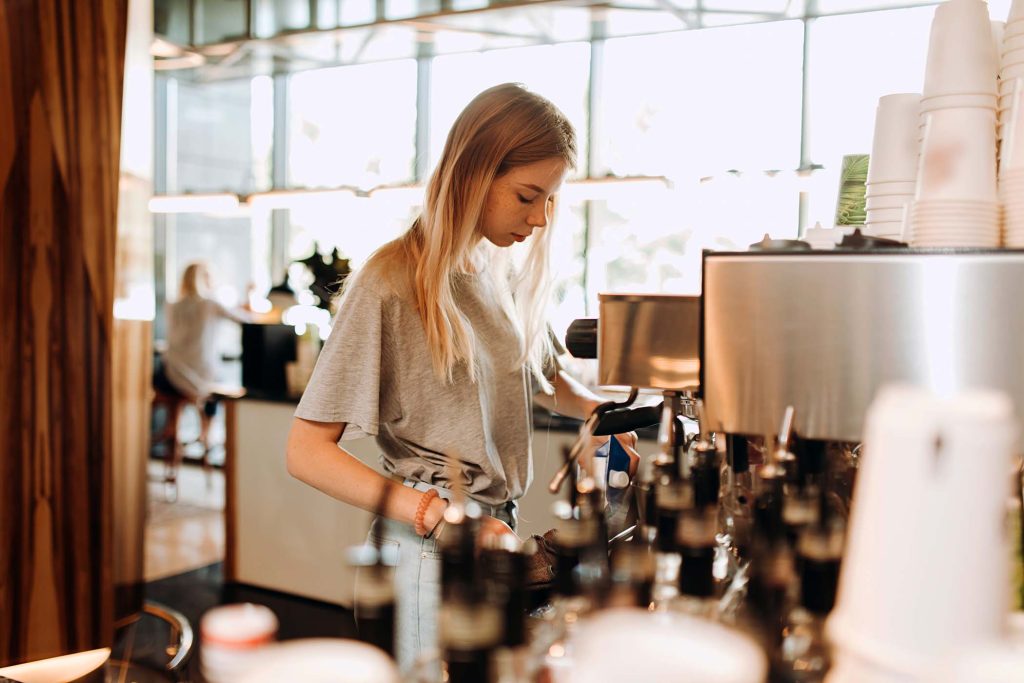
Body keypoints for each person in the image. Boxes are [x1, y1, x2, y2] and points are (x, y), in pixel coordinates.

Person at [285, 83, 638, 669]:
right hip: (428, 552)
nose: (540, 219)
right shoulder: (391, 280)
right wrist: (435, 515)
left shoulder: (492, 268)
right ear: (475, 173)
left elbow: (546, 381)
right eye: (528, 196)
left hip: (494, 534)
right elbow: (305, 452)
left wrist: (605, 416)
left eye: (550, 200)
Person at [155, 261, 251, 452]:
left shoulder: (172, 305)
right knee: (216, 390)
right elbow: (245, 320)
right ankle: (206, 433)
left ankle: (172, 429)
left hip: (171, 375)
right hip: (202, 377)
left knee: (162, 374)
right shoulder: (210, 304)